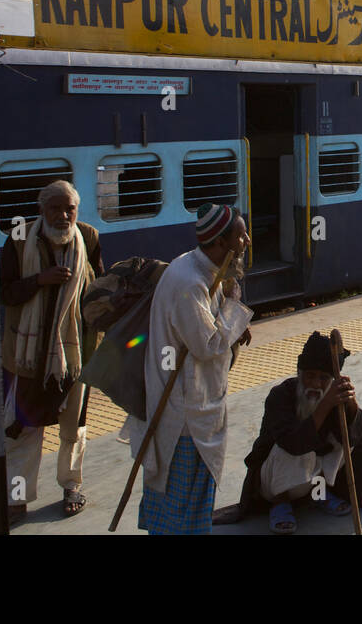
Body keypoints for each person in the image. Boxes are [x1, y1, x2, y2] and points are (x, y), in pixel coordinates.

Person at [133, 203, 252, 535]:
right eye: (240, 236)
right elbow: (208, 345)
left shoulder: (202, 269)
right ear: (218, 243)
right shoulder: (190, 283)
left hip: (192, 405)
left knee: (179, 502)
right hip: (186, 417)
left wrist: (230, 301)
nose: (247, 241)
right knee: (185, 505)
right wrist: (233, 315)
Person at [0, 180, 105, 524]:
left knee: (73, 427)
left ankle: (72, 486)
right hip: (28, 355)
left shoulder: (88, 237)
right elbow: (5, 292)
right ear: (41, 210)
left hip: (75, 355)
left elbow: (99, 288)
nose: (63, 216)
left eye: (69, 209)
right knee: (22, 429)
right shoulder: (18, 240)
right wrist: (39, 281)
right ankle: (17, 499)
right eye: (55, 209)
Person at [221, 332, 362, 534]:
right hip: (273, 481)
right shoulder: (281, 395)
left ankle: (318, 493)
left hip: (309, 479)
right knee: (294, 448)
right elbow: (293, 443)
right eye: (310, 376)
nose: (315, 384)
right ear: (299, 373)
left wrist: (351, 405)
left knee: (342, 441)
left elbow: (353, 437)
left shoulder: (333, 396)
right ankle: (280, 505)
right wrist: (324, 405)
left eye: (323, 378)